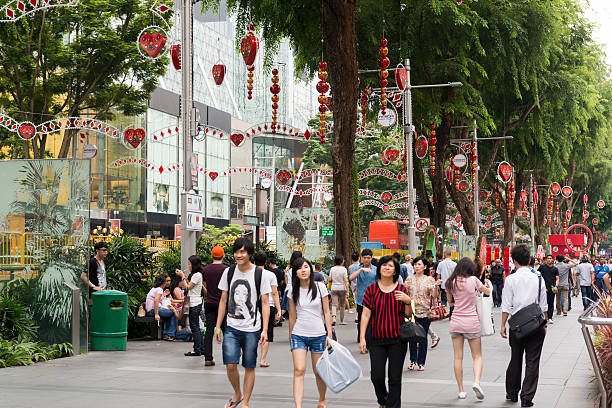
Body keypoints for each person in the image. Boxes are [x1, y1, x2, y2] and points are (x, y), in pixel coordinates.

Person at [214, 238, 271, 408]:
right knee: (230, 364)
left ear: (250, 254)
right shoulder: (229, 273)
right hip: (231, 327)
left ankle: (245, 401)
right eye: (236, 252)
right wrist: (218, 326)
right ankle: (237, 392)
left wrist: (265, 330)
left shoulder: (261, 275)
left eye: (243, 252)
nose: (239, 255)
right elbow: (223, 300)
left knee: (249, 365)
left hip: (252, 329)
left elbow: (266, 303)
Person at [360, 255, 412, 408]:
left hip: (397, 340)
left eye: (390, 266)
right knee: (376, 376)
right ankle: (383, 400)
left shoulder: (401, 290)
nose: (386, 268)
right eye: (384, 265)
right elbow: (365, 314)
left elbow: (408, 315)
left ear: (395, 270)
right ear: (379, 268)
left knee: (395, 379)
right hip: (376, 340)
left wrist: (407, 301)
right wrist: (362, 337)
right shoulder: (372, 290)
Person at [501, 245, 548, 407]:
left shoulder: (510, 279)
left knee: (515, 358)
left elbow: (506, 305)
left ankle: (512, 392)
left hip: (517, 325)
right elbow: (543, 305)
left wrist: (502, 325)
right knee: (533, 361)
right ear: (529, 260)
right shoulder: (539, 278)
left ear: (514, 261)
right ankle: (527, 397)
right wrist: (545, 323)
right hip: (536, 325)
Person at [288, 257, 333, 408]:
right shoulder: (292, 290)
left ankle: (322, 399)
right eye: (300, 268)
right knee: (299, 369)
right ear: (295, 273)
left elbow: (326, 312)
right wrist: (291, 336)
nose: (303, 270)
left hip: (318, 335)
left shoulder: (320, 288)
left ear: (311, 269)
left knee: (318, 371)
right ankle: (298, 406)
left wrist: (329, 335)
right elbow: (292, 315)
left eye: (306, 267)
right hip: (298, 334)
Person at [446, 258, 492, 400]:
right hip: (471, 322)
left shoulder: (450, 282)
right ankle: (476, 382)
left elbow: (450, 302)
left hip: (456, 322)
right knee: (477, 356)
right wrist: (489, 285)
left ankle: (461, 390)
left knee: (457, 357)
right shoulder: (473, 280)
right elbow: (488, 292)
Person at [405, 256, 441, 371]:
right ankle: (412, 360)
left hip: (425, 313)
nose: (417, 266)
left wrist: (435, 286)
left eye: (419, 264)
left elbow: (434, 296)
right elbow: (404, 293)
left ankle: (421, 362)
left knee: (422, 337)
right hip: (411, 312)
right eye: (415, 264)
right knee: (411, 337)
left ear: (425, 266)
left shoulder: (429, 279)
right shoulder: (409, 279)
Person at [254, 251, 281, 368]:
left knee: (253, 331)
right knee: (267, 332)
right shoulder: (271, 275)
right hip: (269, 305)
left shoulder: (250, 273)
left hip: (253, 305)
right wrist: (279, 309)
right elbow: (274, 293)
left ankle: (249, 356)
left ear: (254, 262)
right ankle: (262, 360)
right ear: (265, 262)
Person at [202, 246, 227, 366]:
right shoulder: (226, 269)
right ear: (224, 256)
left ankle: (208, 358)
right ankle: (230, 355)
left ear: (212, 256)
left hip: (210, 303)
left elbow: (206, 287)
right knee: (227, 330)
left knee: (209, 331)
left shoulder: (205, 270)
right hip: (223, 304)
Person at [177, 255, 205, 356]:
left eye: (189, 264)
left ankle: (197, 349)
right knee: (195, 327)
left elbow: (188, 287)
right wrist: (185, 277)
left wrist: (182, 277)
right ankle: (201, 349)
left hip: (194, 303)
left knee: (195, 327)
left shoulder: (197, 275)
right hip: (194, 302)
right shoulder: (196, 275)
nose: (188, 266)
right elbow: (191, 286)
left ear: (194, 264)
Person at [350, 248, 378, 344]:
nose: (366, 260)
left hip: (373, 300)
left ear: (371, 258)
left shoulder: (375, 269)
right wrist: (361, 269)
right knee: (361, 321)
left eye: (368, 258)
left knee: (371, 322)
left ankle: (368, 340)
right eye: (365, 258)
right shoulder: (358, 269)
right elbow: (351, 278)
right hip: (361, 300)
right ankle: (361, 337)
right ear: (361, 258)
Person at [145, 274, 177, 341]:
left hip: (151, 310)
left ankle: (167, 334)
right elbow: (156, 301)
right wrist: (156, 314)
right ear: (163, 282)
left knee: (172, 312)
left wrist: (164, 294)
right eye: (166, 281)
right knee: (175, 312)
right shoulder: (159, 290)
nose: (167, 282)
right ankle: (169, 334)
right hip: (153, 311)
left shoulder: (155, 289)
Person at [328, 254, 349, 326]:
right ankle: (341, 320)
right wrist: (348, 291)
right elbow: (346, 280)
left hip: (334, 288)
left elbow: (330, 279)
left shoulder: (332, 269)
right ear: (342, 261)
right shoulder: (344, 269)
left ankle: (334, 318)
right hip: (342, 288)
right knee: (342, 305)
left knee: (334, 304)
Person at [281, 251, 303, 318]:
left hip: (288, 289)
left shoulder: (289, 270)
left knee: (285, 308)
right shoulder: (299, 270)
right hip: (296, 290)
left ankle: (277, 317)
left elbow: (287, 282)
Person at [538, 255, 559, 324]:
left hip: (551, 288)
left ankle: (550, 317)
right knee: (542, 303)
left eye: (550, 258)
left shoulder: (555, 269)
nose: (549, 260)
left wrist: (556, 286)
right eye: (548, 258)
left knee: (551, 303)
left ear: (553, 260)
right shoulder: (542, 267)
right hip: (543, 288)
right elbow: (537, 275)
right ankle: (543, 317)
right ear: (546, 260)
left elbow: (557, 278)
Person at [348, 252, 361, 317]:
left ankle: (357, 313)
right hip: (360, 284)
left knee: (355, 299)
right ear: (359, 258)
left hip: (353, 284)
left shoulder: (350, 267)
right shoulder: (361, 266)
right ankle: (357, 314)